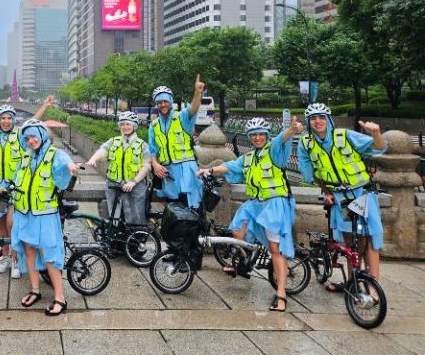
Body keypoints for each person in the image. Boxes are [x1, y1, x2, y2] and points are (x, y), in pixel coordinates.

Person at [199, 116, 303, 312]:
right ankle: (246, 261)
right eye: (253, 135)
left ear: (266, 135)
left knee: (276, 249)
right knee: (238, 230)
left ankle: (281, 295)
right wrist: (208, 170)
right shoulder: (248, 158)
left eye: (261, 134)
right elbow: (229, 167)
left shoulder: (273, 151)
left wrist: (291, 130)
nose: (257, 138)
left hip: (275, 203)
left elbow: (281, 139)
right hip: (256, 204)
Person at [297, 103, 387, 291]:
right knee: (351, 242)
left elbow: (379, 148)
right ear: (308, 122)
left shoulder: (344, 135)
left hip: (361, 193)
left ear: (329, 119)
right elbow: (312, 173)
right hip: (342, 198)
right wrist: (327, 192)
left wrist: (376, 133)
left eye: (321, 117)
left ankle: (373, 288)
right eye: (313, 118)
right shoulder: (306, 143)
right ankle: (354, 284)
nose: (317, 121)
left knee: (371, 237)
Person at [0, 96, 54, 278]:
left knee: (13, 224)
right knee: (1, 224)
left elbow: (31, 122)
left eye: (9, 118)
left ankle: (15, 259)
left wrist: (44, 106)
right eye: (3, 118)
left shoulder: (20, 137)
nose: (6, 121)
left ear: (13, 120)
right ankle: (4, 257)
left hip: (15, 189)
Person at [12, 119, 78, 316]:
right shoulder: (26, 156)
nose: (30, 141)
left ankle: (60, 298)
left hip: (45, 214)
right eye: (27, 138)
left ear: (42, 135)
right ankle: (35, 290)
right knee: (29, 250)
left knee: (50, 254)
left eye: (33, 136)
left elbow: (65, 163)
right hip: (24, 212)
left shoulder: (55, 154)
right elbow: (16, 178)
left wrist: (71, 167)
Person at [148, 74, 206, 208]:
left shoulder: (182, 117)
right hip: (168, 173)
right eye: (159, 102)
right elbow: (152, 150)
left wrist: (198, 93)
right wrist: (155, 165)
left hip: (187, 171)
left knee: (191, 207)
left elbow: (193, 108)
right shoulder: (154, 125)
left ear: (170, 101)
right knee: (172, 209)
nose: (163, 105)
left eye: (165, 101)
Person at [85, 111, 151, 224]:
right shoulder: (113, 141)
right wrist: (93, 159)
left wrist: (133, 182)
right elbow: (103, 150)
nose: (125, 127)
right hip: (113, 183)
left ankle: (136, 233)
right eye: (122, 124)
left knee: (136, 216)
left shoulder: (143, 145)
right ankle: (115, 232)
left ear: (134, 126)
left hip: (135, 184)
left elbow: (147, 166)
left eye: (128, 124)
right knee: (113, 215)